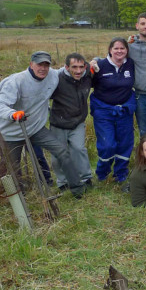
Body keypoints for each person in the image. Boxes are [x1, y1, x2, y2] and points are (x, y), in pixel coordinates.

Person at [0, 51, 87, 198]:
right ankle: (14, 198)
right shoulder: (16, 82)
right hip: (11, 133)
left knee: (62, 152)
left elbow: (69, 69)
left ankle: (77, 189)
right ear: (31, 64)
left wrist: (94, 64)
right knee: (12, 168)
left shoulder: (52, 76)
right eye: (39, 65)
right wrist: (12, 114)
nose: (43, 68)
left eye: (46, 65)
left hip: (35, 129)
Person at [90, 38, 136, 190]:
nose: (119, 51)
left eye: (123, 48)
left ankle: (121, 173)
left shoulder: (130, 64)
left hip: (125, 110)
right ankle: (102, 173)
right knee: (108, 144)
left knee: (125, 143)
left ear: (127, 50)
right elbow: (85, 80)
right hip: (103, 111)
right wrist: (93, 63)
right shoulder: (100, 66)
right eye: (116, 48)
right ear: (110, 50)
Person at [50, 53, 94, 191]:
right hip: (59, 123)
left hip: (78, 122)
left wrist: (96, 61)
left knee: (79, 149)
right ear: (66, 67)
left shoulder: (87, 75)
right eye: (74, 67)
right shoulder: (56, 79)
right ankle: (62, 181)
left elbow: (100, 61)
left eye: (81, 67)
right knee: (59, 154)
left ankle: (85, 178)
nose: (78, 71)